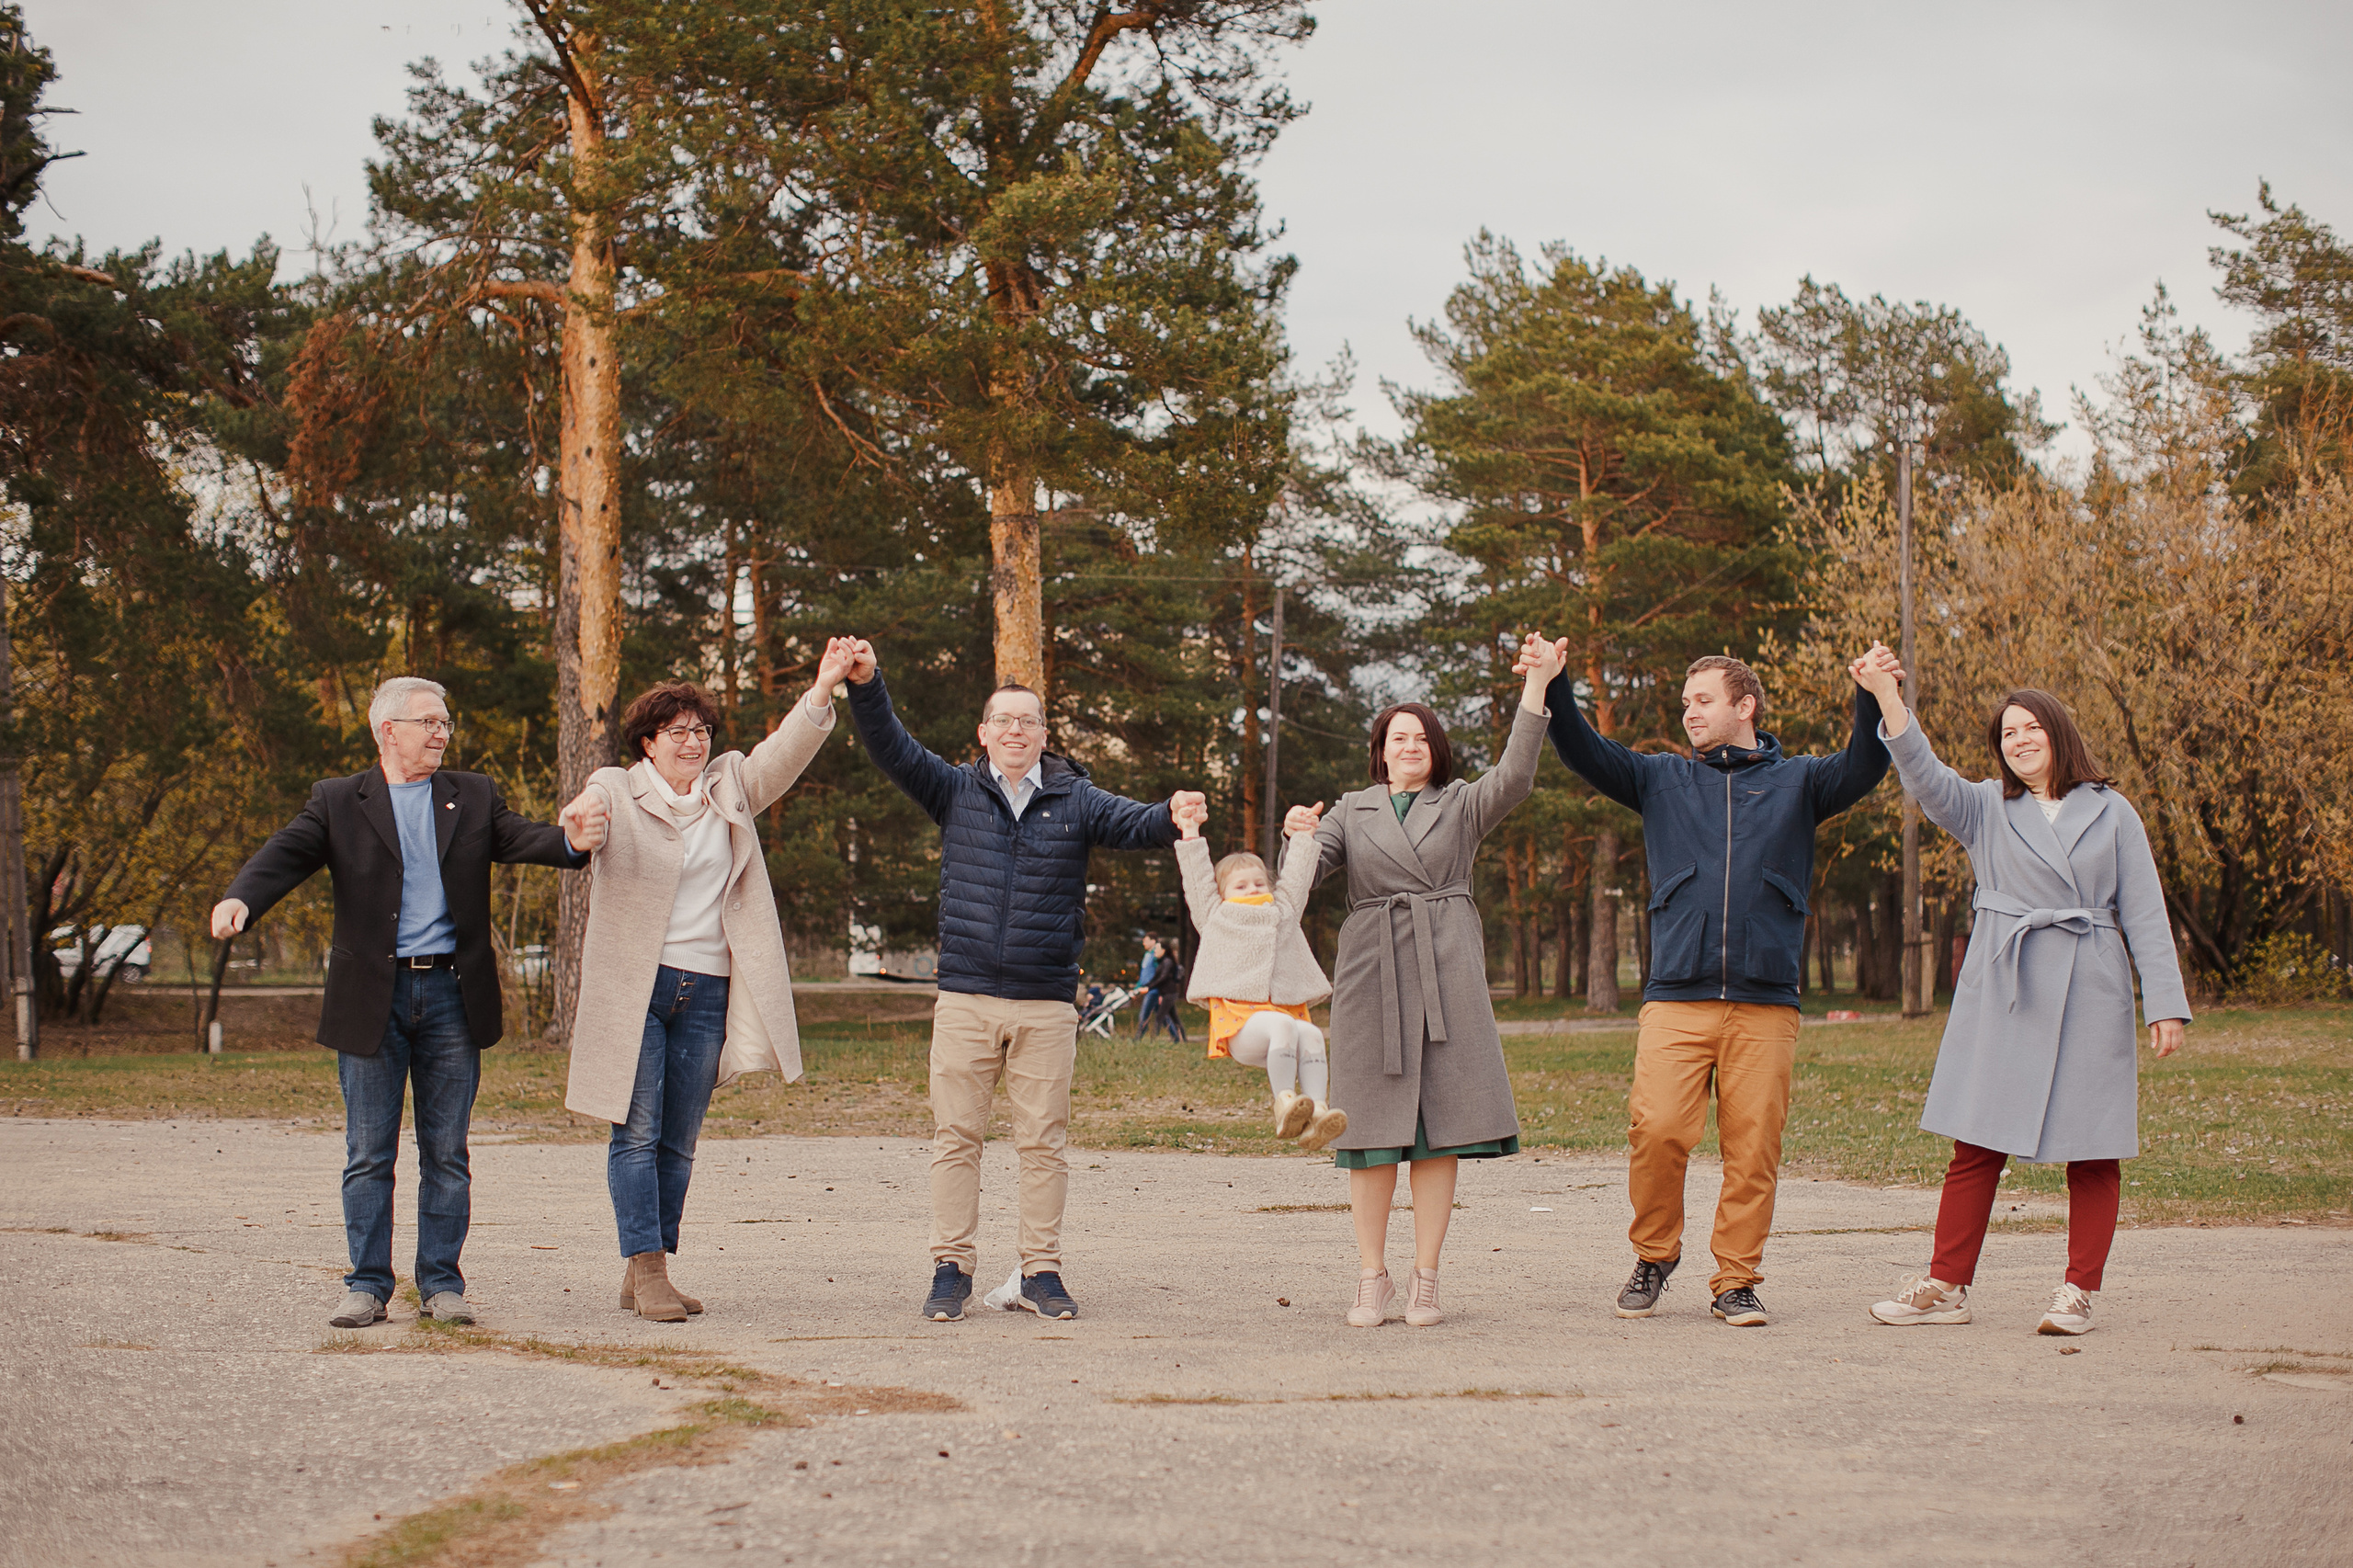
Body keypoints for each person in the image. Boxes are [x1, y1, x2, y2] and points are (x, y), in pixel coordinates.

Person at [1520, 637, 1893, 1327]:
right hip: (1676, 996)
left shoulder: (1802, 783)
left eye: (1703, 701)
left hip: (1764, 1001)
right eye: (1686, 702)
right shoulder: (1662, 778)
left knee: (1753, 1150)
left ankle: (1736, 1281)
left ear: (1743, 705)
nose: (1689, 712)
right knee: (1656, 1130)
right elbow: (1582, 749)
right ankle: (1654, 1255)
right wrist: (1556, 681)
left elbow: (1868, 761)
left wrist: (1868, 692)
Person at [212, 676, 595, 1328]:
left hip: (451, 994)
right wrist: (241, 897)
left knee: (446, 1151)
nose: (442, 733)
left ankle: (442, 1285)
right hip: (371, 1000)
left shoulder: (471, 794)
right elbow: (285, 853)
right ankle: (366, 1285)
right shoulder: (338, 801)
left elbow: (523, 838)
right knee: (370, 1152)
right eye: (429, 722)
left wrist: (573, 843)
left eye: (446, 722)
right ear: (388, 730)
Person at [843, 642, 1200, 1323]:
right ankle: (951, 1268)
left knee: (1044, 1144)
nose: (1015, 730)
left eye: (1028, 720)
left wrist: (1173, 811)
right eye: (1003, 719)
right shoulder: (952, 789)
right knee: (957, 1139)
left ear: (1043, 733)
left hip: (1045, 1004)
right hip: (965, 998)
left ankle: (1041, 1271)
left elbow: (1136, 821)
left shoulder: (1076, 798)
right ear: (984, 733)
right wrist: (867, 685)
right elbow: (890, 745)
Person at [1848, 647, 2190, 1336]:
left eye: (2030, 726)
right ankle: (1946, 1285)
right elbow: (1922, 771)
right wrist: (1886, 696)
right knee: (1975, 1142)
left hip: (2091, 985)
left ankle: (2077, 1292)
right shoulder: (1983, 807)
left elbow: (2146, 911)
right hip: (2005, 986)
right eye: (2007, 733)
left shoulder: (2112, 811)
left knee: (2093, 1147)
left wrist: (2166, 1004)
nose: (2020, 739)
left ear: (2057, 733)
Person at [554, 639, 858, 1322]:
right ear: (647, 742)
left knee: (679, 1138)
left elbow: (783, 753)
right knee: (634, 1131)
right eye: (677, 731)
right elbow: (585, 816)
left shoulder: (729, 787)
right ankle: (650, 1269)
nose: (693, 741)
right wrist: (578, 826)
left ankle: (646, 1265)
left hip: (707, 989)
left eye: (702, 730)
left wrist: (825, 685)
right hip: (639, 988)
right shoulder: (616, 788)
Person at [1292, 632, 1563, 1329]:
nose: (1408, 746)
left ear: (1435, 749)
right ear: (1380, 751)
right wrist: (1295, 835)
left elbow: (1518, 775)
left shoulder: (1464, 804)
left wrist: (1538, 685)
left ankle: (1426, 1279)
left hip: (1447, 974)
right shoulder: (1351, 809)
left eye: (1420, 738)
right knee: (1371, 1134)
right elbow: (1305, 876)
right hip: (1370, 975)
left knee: (1438, 1134)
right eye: (1396, 737)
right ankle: (1371, 1277)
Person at [1172, 800, 1346, 1151]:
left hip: (1282, 1022)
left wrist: (1303, 836)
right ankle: (1283, 1103)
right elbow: (1196, 877)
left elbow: (1296, 877)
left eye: (1258, 882)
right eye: (1241, 886)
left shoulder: (1283, 912)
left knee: (1311, 1033)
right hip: (1240, 1026)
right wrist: (1190, 831)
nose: (1252, 890)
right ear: (1222, 894)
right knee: (1282, 1025)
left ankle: (1318, 1114)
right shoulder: (1214, 915)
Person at [1143, 938, 1188, 1044]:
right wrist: (1145, 986)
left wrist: (1149, 988)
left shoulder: (1168, 962)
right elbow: (1156, 978)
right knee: (1174, 1018)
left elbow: (1162, 978)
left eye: (1157, 949)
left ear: (1163, 950)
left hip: (1170, 994)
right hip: (1166, 994)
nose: (1155, 951)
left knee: (1159, 1016)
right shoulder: (1163, 962)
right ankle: (1182, 1040)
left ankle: (1153, 1041)